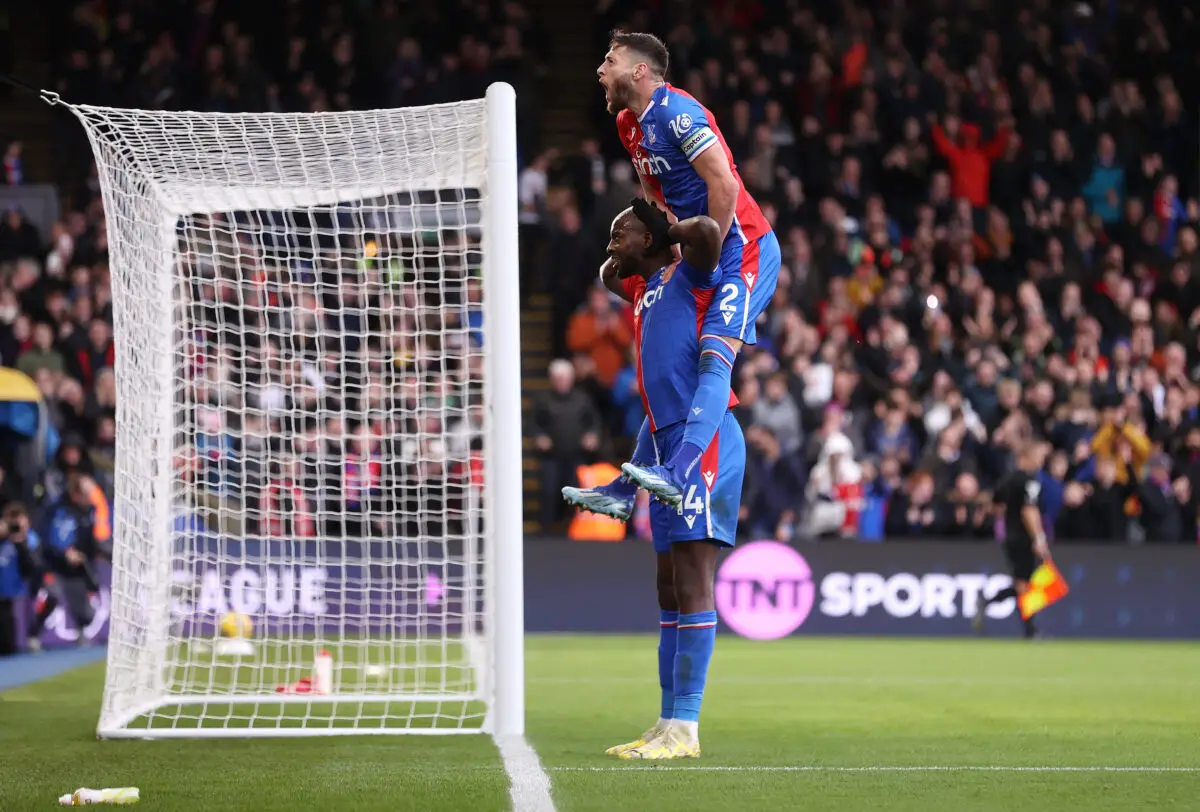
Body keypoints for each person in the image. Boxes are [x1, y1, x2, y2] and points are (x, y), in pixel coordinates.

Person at [564, 200, 744, 760]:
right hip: (662, 443)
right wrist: (630, 245)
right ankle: (666, 722)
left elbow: (710, 233)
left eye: (622, 231)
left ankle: (687, 727)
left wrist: (665, 228)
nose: (610, 241)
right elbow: (608, 272)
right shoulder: (646, 291)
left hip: (703, 441)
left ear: (652, 238)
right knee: (667, 587)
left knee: (692, 580)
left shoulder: (688, 276)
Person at [595, 31, 780, 507]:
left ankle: (679, 472)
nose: (600, 70)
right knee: (670, 363)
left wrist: (707, 259)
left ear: (639, 71)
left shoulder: (679, 113)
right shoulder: (627, 124)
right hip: (697, 251)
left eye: (610, 61)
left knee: (712, 357)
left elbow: (724, 187)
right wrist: (670, 257)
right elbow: (656, 200)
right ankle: (626, 487)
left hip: (744, 248)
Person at [973, 443, 1052, 639]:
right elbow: (1029, 510)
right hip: (1024, 538)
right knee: (1026, 585)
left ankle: (989, 602)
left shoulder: (1008, 479)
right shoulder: (1029, 480)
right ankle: (1030, 631)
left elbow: (995, 505)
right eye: (1038, 456)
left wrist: (1009, 517)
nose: (1041, 461)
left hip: (1010, 536)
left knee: (1024, 583)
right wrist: (1039, 538)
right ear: (1026, 457)